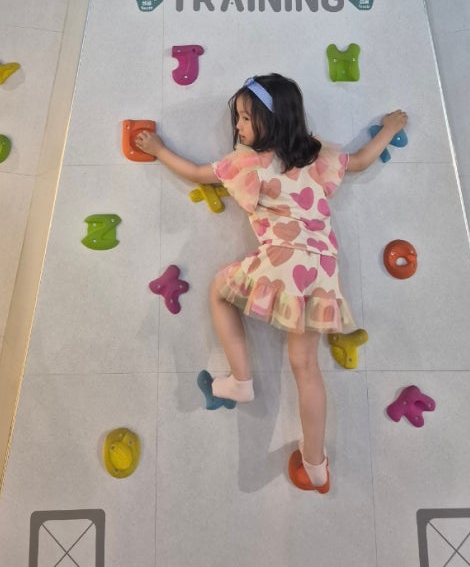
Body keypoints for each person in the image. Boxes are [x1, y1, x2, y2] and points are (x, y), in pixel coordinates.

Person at [135, 73, 407, 494]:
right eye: (239, 118)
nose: (239, 126)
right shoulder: (316, 155)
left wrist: (157, 150)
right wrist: (389, 128)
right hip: (320, 270)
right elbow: (361, 159)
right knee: (306, 366)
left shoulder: (248, 163)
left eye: (246, 118)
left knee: (220, 290)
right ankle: (315, 464)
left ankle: (241, 379)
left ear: (273, 119)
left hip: (282, 258)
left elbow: (195, 173)